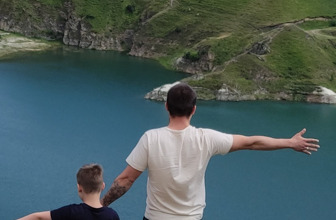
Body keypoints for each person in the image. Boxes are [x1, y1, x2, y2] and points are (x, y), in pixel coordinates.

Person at [101, 83, 320, 220]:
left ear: (166, 106)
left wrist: (102, 205)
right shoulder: (207, 138)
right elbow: (251, 142)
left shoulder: (151, 138)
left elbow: (125, 180)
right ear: (194, 109)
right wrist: (289, 142)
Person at [18, 163, 120, 220]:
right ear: (103, 186)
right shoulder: (112, 215)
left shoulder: (71, 212)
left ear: (79, 188)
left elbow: (38, 217)